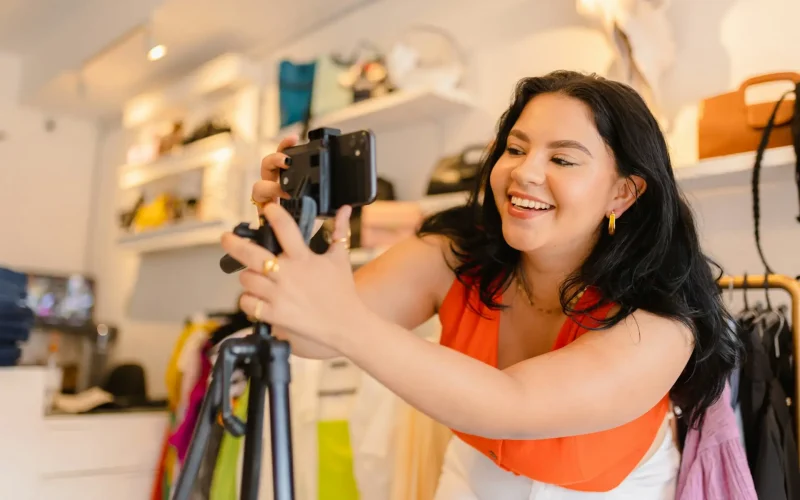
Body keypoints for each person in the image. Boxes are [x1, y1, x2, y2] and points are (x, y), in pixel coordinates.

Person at [221, 70, 743, 499]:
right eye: (515, 149)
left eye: (561, 159)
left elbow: (512, 405)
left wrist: (345, 320)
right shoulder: (456, 254)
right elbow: (309, 335)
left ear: (623, 193)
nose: (524, 173)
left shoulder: (659, 322)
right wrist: (290, 230)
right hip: (473, 479)